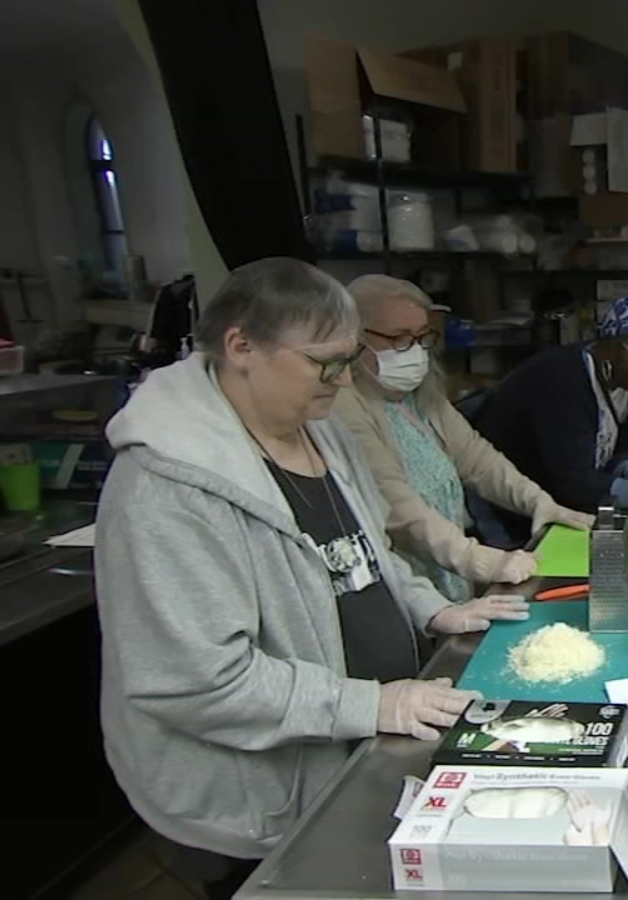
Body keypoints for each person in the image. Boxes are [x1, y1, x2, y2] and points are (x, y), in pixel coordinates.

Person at [94, 259, 525, 900]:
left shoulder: (317, 427)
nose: (344, 379)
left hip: (347, 748)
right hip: (251, 801)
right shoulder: (165, 489)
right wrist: (372, 703)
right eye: (325, 362)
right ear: (241, 346)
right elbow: (198, 682)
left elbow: (363, 554)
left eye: (350, 357)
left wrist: (432, 608)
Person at [333, 275, 594, 602]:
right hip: (402, 588)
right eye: (399, 339)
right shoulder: (343, 407)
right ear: (354, 339)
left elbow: (477, 459)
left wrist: (538, 502)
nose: (414, 351)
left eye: (422, 338)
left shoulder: (419, 395)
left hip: (449, 576)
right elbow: (396, 507)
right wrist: (483, 561)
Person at [472, 295, 628, 537]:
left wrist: (627, 465)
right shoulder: (563, 380)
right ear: (607, 344)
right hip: (508, 504)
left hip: (565, 503)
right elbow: (572, 484)